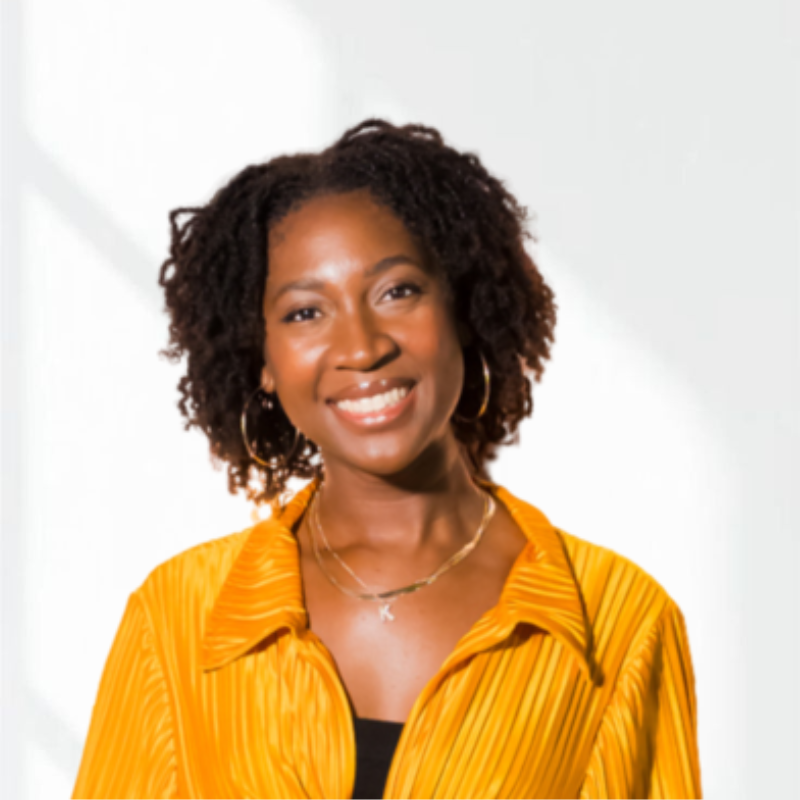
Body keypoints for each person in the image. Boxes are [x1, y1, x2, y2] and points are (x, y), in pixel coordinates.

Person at [72, 120, 702, 799]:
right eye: (305, 313)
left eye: (396, 291)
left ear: (459, 309)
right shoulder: (176, 620)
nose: (362, 346)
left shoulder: (619, 624)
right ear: (263, 364)